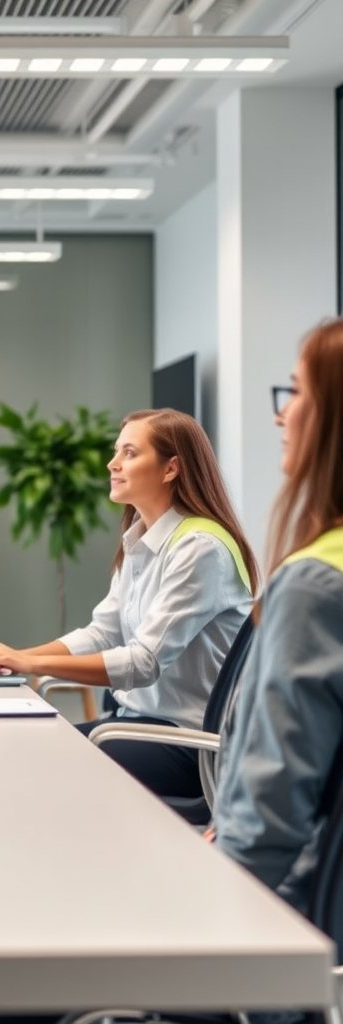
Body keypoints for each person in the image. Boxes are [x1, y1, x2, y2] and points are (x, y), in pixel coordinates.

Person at [0, 408, 257, 801]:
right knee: (26, 748)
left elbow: (142, 663)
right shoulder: (142, 540)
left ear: (171, 469)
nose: (112, 463)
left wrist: (31, 664)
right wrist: (17, 656)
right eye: (116, 451)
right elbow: (103, 632)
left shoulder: (200, 548)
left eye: (130, 453)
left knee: (40, 764)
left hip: (185, 745)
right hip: (134, 726)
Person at [215, 317, 343, 915]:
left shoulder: (317, 584)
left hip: (289, 932)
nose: (280, 414)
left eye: (296, 392)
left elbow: (270, 820)